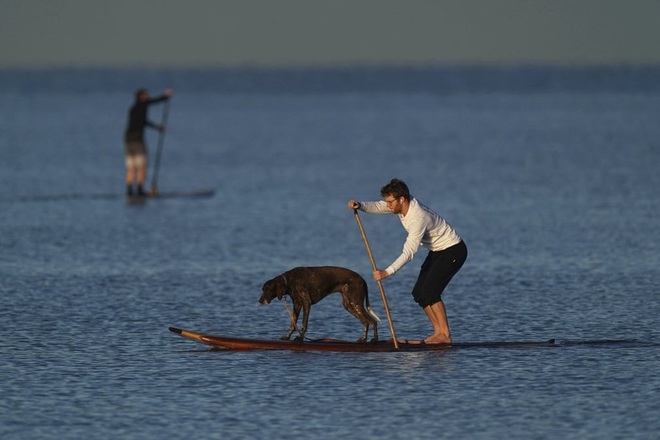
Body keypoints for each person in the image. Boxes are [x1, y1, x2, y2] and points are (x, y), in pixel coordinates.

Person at [348, 178, 467, 344]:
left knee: (431, 292)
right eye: (387, 201)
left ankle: (444, 335)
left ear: (401, 199)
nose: (387, 205)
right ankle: (439, 333)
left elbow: (409, 252)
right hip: (437, 251)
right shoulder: (402, 205)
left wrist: (387, 272)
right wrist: (360, 205)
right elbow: (380, 206)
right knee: (419, 293)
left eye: (390, 202)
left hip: (453, 250)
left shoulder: (418, 218)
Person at [123, 88, 174, 196]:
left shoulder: (133, 108)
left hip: (127, 139)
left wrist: (158, 128)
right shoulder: (142, 105)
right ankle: (140, 189)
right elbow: (152, 102)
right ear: (141, 97)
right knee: (142, 164)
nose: (148, 97)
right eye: (146, 95)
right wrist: (166, 96)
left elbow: (143, 121)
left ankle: (129, 190)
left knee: (131, 165)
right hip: (137, 139)